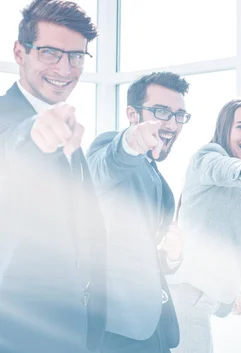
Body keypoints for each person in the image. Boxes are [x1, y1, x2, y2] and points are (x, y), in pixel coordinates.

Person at [0, 1, 106, 351]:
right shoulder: (12, 124)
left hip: (74, 330)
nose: (65, 68)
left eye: (76, 57)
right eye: (49, 53)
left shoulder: (71, 132)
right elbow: (15, 144)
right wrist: (35, 133)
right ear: (20, 52)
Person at [87, 72, 189, 353]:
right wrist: (131, 142)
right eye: (161, 112)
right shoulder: (109, 146)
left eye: (179, 115)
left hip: (154, 325)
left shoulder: (155, 174)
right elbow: (99, 171)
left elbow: (148, 252)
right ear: (132, 114)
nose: (171, 123)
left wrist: (173, 254)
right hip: (115, 327)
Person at [171, 97, 241, 353]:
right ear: (224, 129)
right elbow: (223, 168)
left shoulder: (238, 192)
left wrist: (231, 293)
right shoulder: (209, 156)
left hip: (198, 297)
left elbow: (221, 240)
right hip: (188, 297)